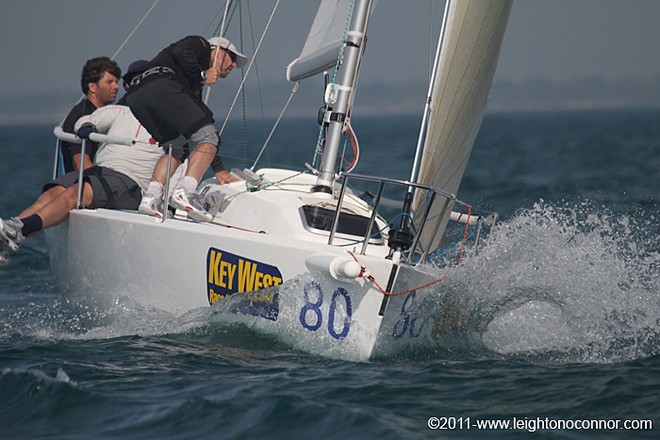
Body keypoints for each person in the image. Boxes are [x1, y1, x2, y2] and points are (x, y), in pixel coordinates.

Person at [0, 101, 163, 265]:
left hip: (129, 183)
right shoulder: (122, 112)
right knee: (52, 192)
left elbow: (175, 166)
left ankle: (20, 230)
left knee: (75, 193)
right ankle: (9, 234)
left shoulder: (171, 129)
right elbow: (87, 120)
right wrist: (87, 126)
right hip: (101, 171)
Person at [124, 35, 246, 221]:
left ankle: (151, 196)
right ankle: (186, 192)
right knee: (208, 137)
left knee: (177, 146)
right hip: (161, 85)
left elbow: (201, 128)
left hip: (136, 95)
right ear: (218, 50)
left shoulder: (191, 82)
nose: (234, 66)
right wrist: (203, 75)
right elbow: (182, 51)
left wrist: (218, 168)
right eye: (233, 58)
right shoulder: (201, 44)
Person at [60, 57, 121, 172]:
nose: (116, 87)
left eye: (116, 82)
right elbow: (81, 163)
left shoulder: (98, 113)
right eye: (109, 82)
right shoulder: (85, 117)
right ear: (92, 87)